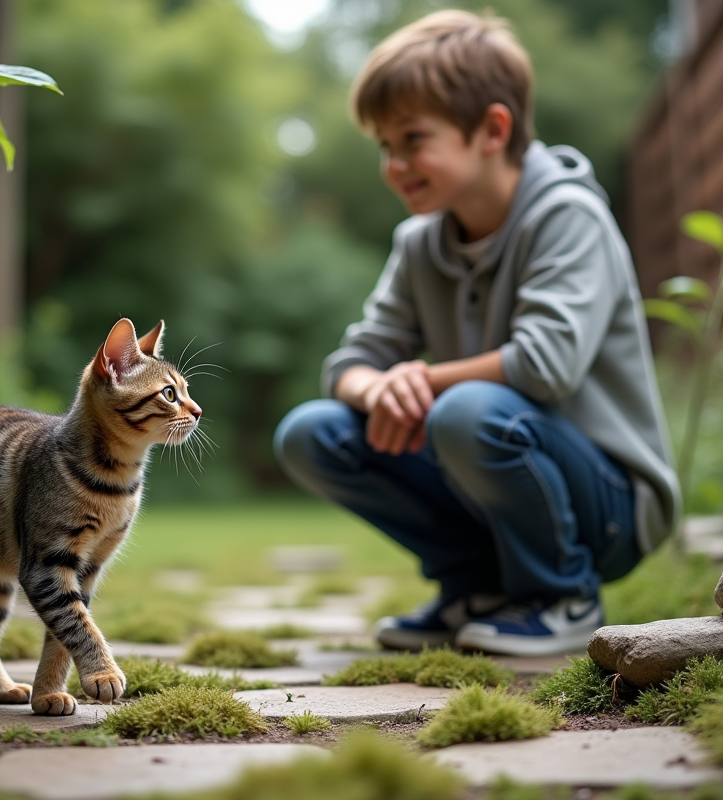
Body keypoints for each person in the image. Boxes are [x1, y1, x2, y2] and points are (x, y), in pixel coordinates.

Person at [273, 9, 680, 656]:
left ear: (492, 130)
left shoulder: (568, 216)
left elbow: (545, 364)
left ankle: (561, 594)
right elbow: (350, 364)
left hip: (609, 506)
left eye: (413, 139)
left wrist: (420, 380)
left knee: (465, 411)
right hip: (491, 471)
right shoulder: (419, 244)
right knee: (312, 432)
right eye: (385, 146)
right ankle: (475, 590)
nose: (394, 164)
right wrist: (380, 389)